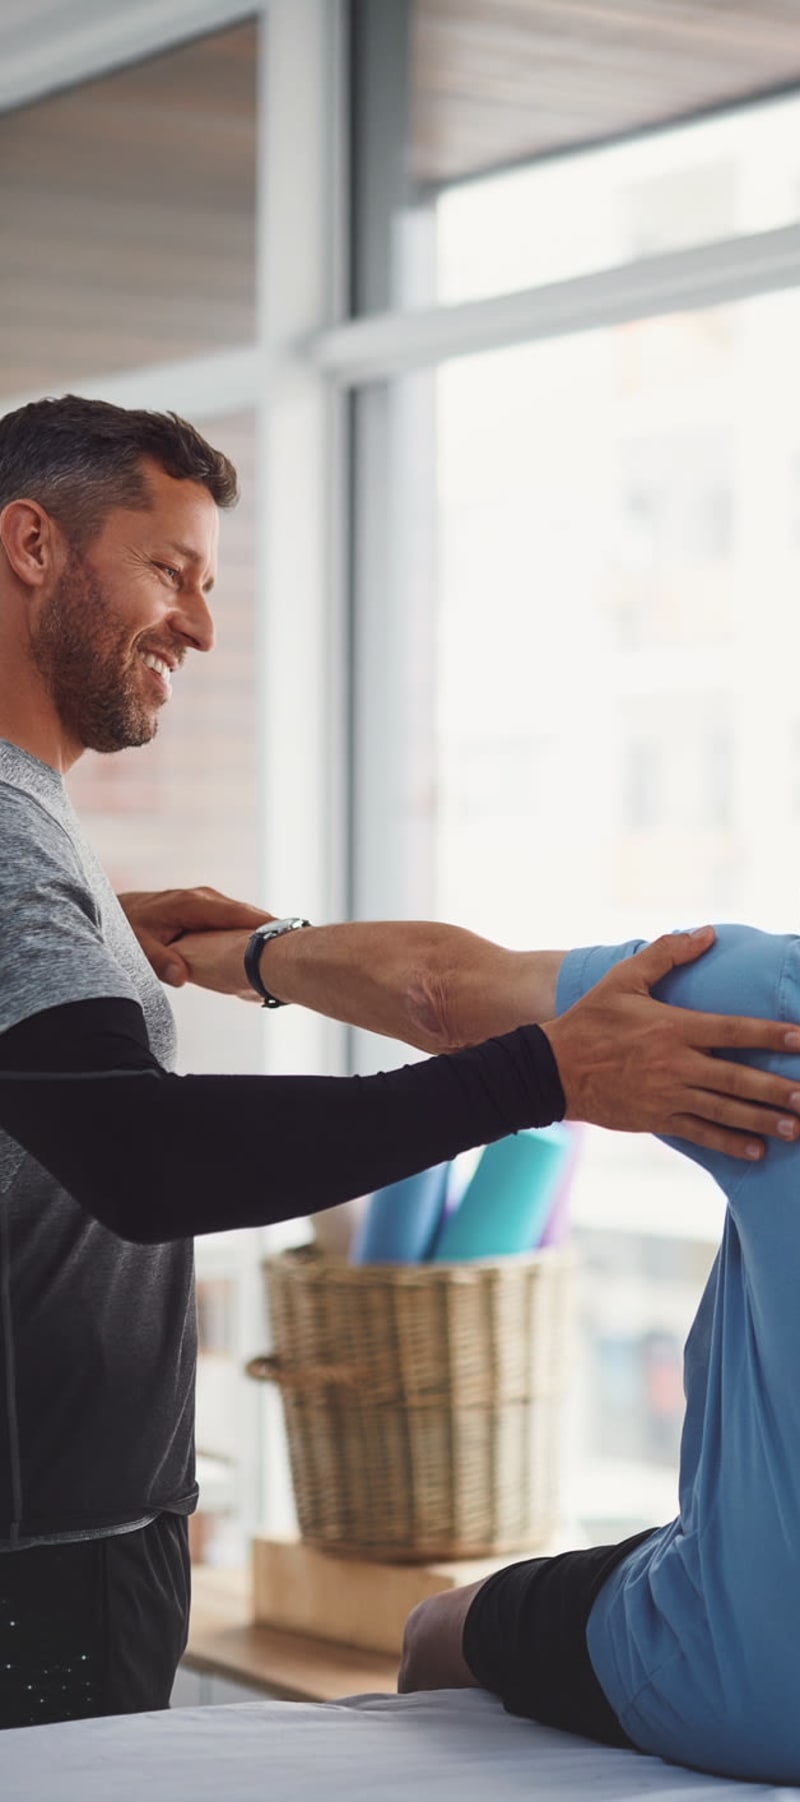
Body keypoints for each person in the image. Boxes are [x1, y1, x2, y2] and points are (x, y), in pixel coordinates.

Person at [0, 397, 798, 1736]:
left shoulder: (40, 829)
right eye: (171, 571)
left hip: (83, 1522)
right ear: (29, 542)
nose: (199, 625)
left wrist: (226, 955)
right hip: (45, 1550)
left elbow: (445, 987)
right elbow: (148, 1161)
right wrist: (546, 1075)